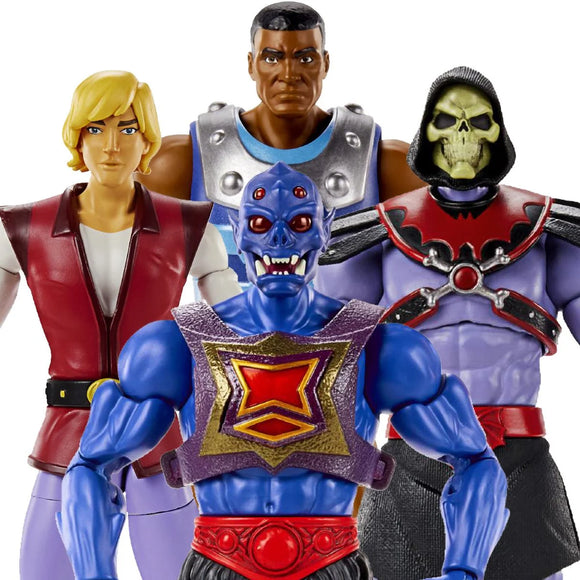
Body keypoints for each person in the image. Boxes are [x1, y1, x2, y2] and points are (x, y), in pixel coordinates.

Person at [60, 163, 507, 580]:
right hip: (219, 565)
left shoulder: (380, 345)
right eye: (260, 224)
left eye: (299, 223)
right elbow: (90, 466)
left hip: (331, 565)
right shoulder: (174, 345)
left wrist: (463, 570)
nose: (279, 241)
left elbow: (476, 461)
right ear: (238, 232)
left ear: (325, 231)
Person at [319, 66, 580, 580]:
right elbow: (326, 366)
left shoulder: (549, 235)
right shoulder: (371, 238)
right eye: (447, 121)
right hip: (410, 457)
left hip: (518, 454)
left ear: (498, 132)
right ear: (426, 133)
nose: (462, 137)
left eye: (477, 122)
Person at [0, 70, 240, 580]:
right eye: (96, 128)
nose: (111, 145)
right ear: (77, 137)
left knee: (177, 568)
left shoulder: (190, 227)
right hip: (68, 428)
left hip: (156, 432)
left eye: (127, 129)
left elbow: (241, 343)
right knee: (44, 569)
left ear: (147, 140)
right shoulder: (24, 228)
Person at [137, 2, 423, 294]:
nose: (288, 74)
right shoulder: (180, 162)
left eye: (305, 58)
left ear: (325, 63)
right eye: (272, 58)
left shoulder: (386, 164)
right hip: (223, 325)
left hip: (350, 325)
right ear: (252, 64)